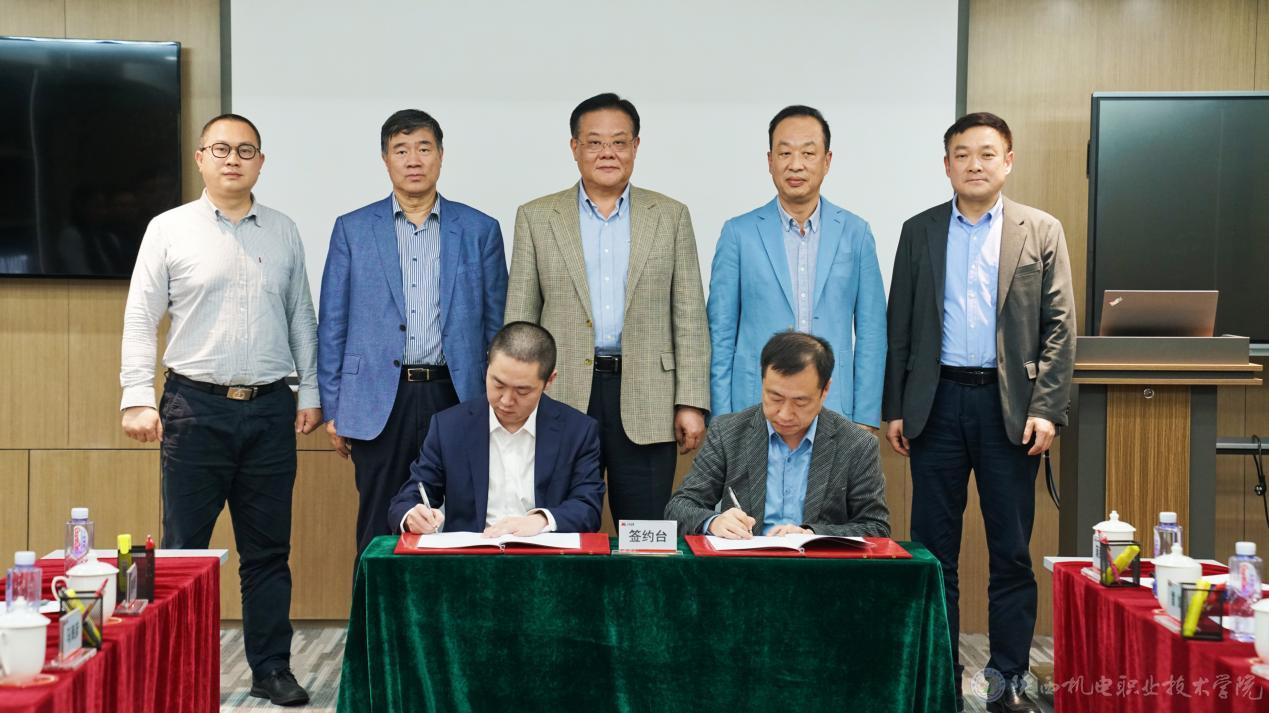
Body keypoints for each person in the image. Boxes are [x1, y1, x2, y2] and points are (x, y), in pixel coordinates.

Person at [120, 113, 318, 706]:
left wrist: (310, 392)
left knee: (268, 553)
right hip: (194, 408)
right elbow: (140, 317)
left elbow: (300, 317)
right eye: (222, 149)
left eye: (246, 150)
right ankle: (178, 670)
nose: (234, 159)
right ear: (201, 158)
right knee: (185, 553)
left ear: (261, 162)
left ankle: (272, 669)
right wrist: (136, 397)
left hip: (269, 410)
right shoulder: (168, 229)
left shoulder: (283, 231)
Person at [883, 112, 1076, 713]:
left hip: (1009, 409)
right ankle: (940, 676)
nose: (974, 164)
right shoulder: (918, 231)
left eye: (987, 154)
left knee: (1010, 552)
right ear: (946, 165)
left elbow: (1060, 329)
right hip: (936, 405)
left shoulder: (1040, 230)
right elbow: (899, 327)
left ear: (1008, 161)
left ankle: (1006, 680)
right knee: (933, 552)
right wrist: (896, 406)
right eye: (962, 154)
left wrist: (1047, 409)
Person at [504, 92, 710, 522]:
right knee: (556, 526)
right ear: (574, 147)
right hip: (560, 395)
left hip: (648, 396)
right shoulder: (537, 217)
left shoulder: (670, 215)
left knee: (645, 532)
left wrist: (691, 401)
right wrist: (518, 396)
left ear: (636, 146)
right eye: (595, 142)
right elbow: (520, 322)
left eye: (619, 142)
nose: (607, 153)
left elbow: (689, 317)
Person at [318, 109, 507, 557]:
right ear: (385, 159)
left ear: (440, 155)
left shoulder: (480, 229)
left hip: (455, 394)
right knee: (379, 522)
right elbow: (333, 324)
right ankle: (374, 606)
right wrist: (334, 406)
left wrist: (497, 400)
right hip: (378, 398)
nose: (414, 160)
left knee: (461, 517)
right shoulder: (352, 229)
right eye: (401, 150)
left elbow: (496, 325)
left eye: (424, 148)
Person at [708, 105, 886, 426]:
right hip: (754, 405)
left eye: (808, 153)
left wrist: (866, 417)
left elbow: (872, 333)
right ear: (770, 161)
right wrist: (722, 420)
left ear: (827, 161)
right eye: (785, 153)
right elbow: (720, 334)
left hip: (834, 405)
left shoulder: (856, 233)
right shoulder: (738, 234)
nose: (796, 164)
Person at [665, 332, 890, 539]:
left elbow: (876, 527)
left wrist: (813, 535)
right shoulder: (728, 432)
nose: (784, 414)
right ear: (763, 381)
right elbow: (679, 507)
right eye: (775, 398)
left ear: (825, 390)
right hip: (745, 563)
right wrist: (713, 522)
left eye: (800, 401)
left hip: (818, 566)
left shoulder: (856, 444)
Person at [388, 322, 605, 535]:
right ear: (487, 366)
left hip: (543, 552)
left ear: (549, 380)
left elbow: (588, 507)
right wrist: (412, 516)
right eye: (498, 384)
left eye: (522, 391)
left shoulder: (578, 431)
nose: (506, 400)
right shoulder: (450, 427)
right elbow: (409, 498)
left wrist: (542, 520)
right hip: (472, 554)